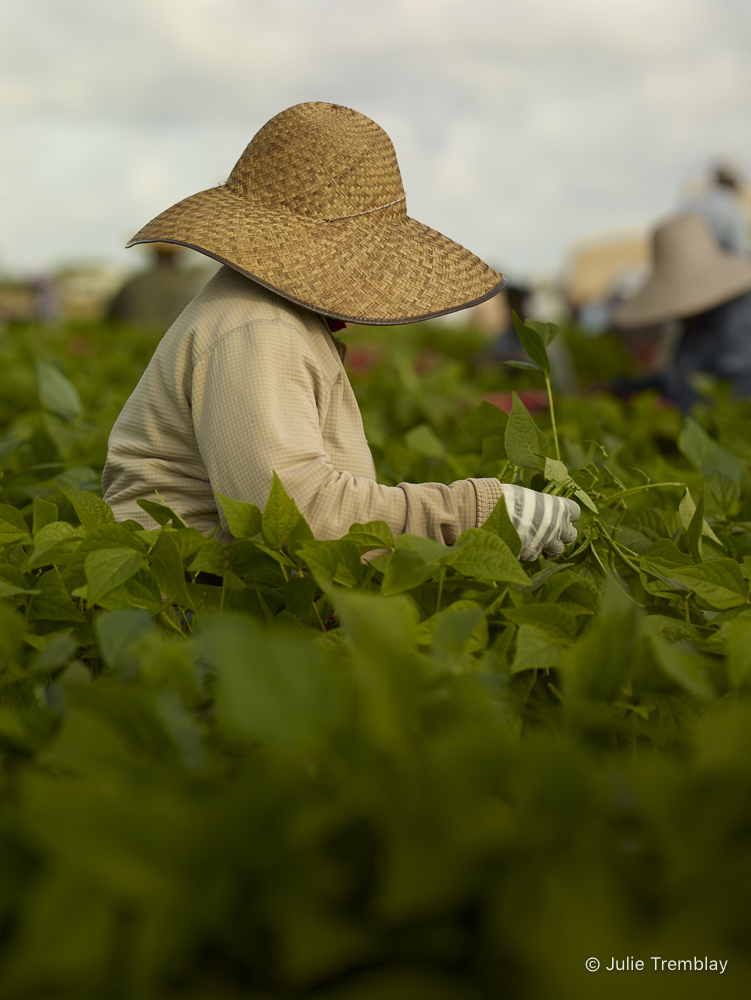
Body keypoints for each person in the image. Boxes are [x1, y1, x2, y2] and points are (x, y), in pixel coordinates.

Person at [102, 102, 579, 561]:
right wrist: (475, 512)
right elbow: (296, 520)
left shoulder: (270, 316)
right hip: (192, 611)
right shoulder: (259, 328)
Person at [610, 213, 751, 412]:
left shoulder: (736, 320)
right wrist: (620, 389)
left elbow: (741, 394)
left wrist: (675, 411)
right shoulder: (693, 325)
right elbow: (675, 384)